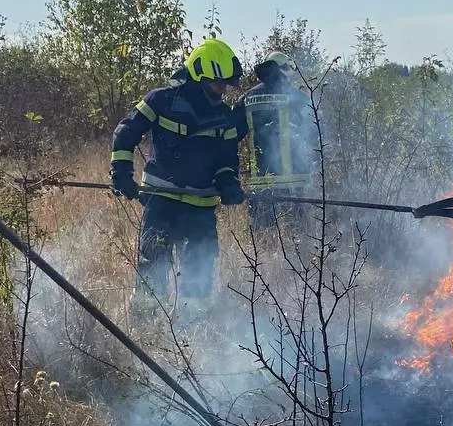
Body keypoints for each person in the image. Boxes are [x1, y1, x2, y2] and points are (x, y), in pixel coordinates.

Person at [110, 39, 247, 318]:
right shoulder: (160, 100)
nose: (223, 90)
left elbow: (226, 159)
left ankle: (192, 330)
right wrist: (121, 173)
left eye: (225, 85)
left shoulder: (224, 116)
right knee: (152, 268)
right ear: (199, 75)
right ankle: (146, 329)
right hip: (161, 203)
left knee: (198, 277)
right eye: (218, 84)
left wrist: (229, 182)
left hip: (201, 209)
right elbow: (126, 132)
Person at [238, 51, 316, 229]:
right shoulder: (299, 99)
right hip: (295, 181)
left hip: (261, 180)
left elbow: (232, 134)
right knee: (298, 234)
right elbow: (316, 131)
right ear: (284, 71)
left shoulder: (248, 98)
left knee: (264, 234)